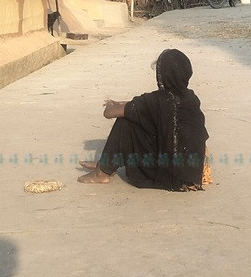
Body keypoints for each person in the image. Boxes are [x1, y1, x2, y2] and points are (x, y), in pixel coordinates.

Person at [78, 49, 210, 191]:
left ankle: (102, 172)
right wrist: (126, 104)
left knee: (126, 122)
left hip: (169, 178)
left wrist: (112, 105)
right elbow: (147, 108)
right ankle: (107, 163)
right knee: (136, 115)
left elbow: (108, 113)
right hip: (191, 175)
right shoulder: (191, 98)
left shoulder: (156, 100)